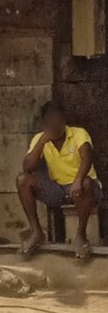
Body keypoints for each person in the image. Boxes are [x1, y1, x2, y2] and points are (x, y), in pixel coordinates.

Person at [17, 102, 101, 260]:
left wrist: (77, 180)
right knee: (23, 180)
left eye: (58, 121)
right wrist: (42, 142)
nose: (55, 125)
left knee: (86, 183)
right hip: (58, 189)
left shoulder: (78, 134)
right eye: (50, 122)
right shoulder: (40, 138)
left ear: (64, 120)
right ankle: (36, 232)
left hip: (85, 188)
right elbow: (27, 167)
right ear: (44, 124)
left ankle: (81, 236)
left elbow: (87, 160)